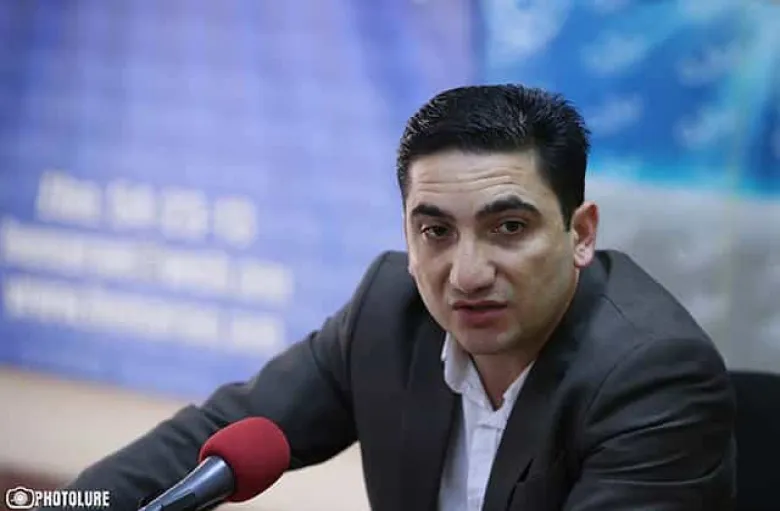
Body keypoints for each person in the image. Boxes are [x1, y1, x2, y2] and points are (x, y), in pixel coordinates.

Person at [47, 84, 736, 510]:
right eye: (436, 231)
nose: (467, 273)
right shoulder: (389, 310)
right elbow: (212, 436)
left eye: (509, 228)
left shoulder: (654, 374)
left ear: (580, 233)